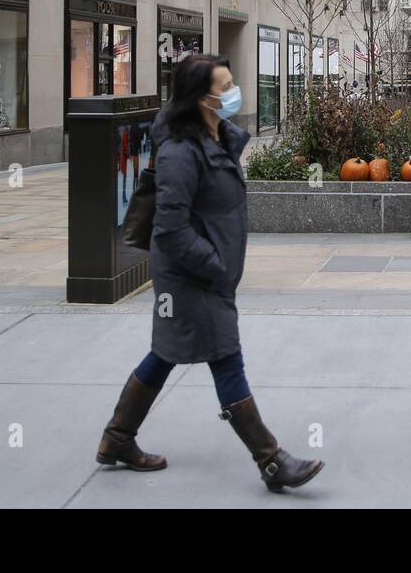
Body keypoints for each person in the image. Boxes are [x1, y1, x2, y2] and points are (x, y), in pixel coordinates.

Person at [96, 54, 323, 493]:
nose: (234, 91)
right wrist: (214, 266)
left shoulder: (215, 138)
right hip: (191, 277)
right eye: (226, 86)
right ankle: (271, 460)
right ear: (202, 98)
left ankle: (117, 438)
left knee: (165, 352)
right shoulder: (182, 151)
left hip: (204, 273)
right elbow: (170, 227)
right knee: (224, 355)